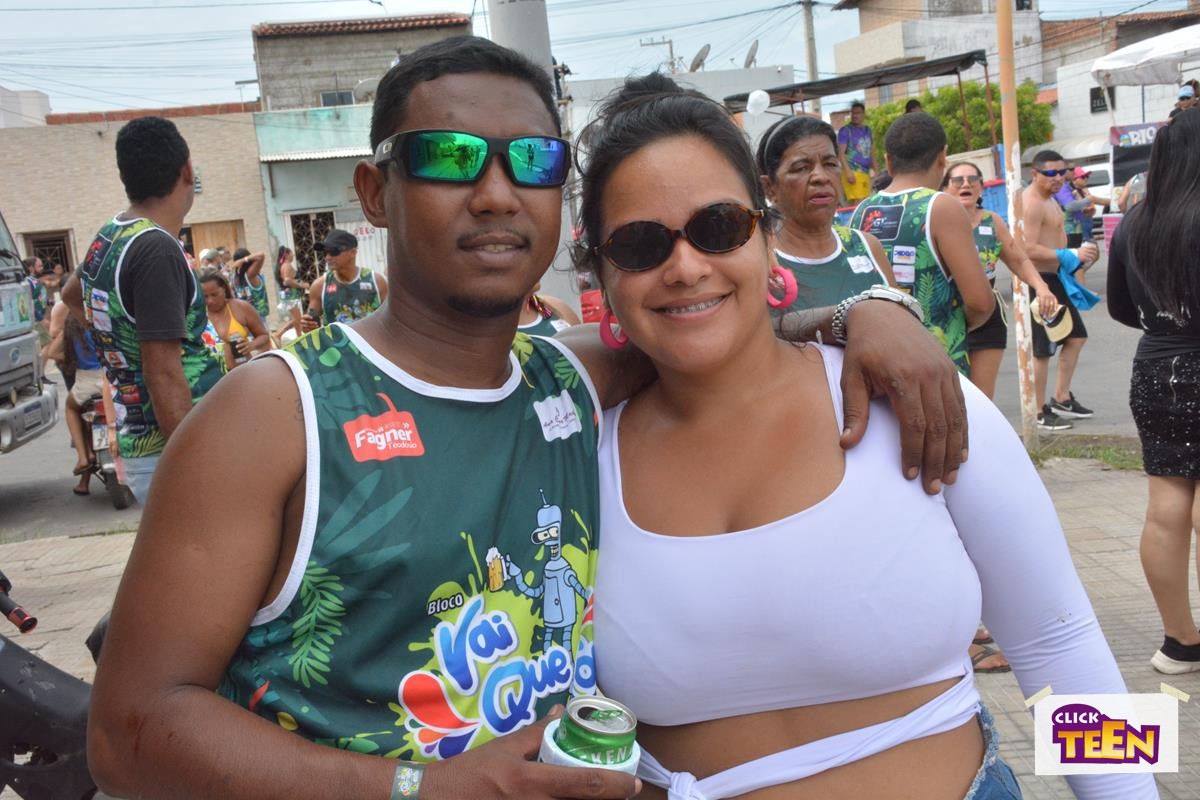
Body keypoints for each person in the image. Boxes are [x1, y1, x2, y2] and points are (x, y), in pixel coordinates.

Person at [86, 37, 969, 800]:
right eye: (449, 157)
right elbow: (128, 732)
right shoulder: (276, 415)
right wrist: (425, 789)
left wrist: (865, 313)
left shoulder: (568, 380)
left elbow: (704, 323)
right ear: (374, 191)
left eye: (535, 162)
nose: (497, 193)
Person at [579, 72, 1157, 800]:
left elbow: (1060, 637)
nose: (686, 266)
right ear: (599, 273)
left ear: (766, 239)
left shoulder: (918, 398)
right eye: (639, 244)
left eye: (719, 227)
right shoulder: (573, 455)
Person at [62, 116, 224, 506]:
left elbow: (71, 294)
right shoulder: (156, 249)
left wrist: (116, 344)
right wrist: (191, 468)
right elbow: (162, 372)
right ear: (187, 171)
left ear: (125, 176)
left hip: (147, 447)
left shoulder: (112, 234)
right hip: (172, 452)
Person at [1107, 109, 1200, 675]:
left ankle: (1179, 644)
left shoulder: (1135, 223)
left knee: (1166, 508)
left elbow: (1121, 307)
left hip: (1154, 368)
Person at [849, 113, 995, 376]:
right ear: (942, 157)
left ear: (888, 161)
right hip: (937, 369)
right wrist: (951, 326)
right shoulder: (941, 207)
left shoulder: (861, 211)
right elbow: (981, 303)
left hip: (880, 367)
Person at [941, 162, 1059, 399]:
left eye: (973, 179)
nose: (966, 184)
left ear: (981, 188)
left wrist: (1041, 287)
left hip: (986, 315)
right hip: (946, 316)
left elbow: (1018, 259)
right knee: (951, 395)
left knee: (981, 398)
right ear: (944, 189)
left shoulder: (992, 221)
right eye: (958, 180)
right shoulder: (936, 222)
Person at [756, 115, 894, 310]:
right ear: (769, 187)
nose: (821, 177)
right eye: (801, 168)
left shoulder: (867, 247)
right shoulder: (760, 263)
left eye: (830, 164)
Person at [1019, 150, 1100, 431]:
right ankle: (1038, 411)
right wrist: (1069, 253)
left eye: (1062, 172)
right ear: (1035, 174)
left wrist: (1074, 256)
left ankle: (1062, 398)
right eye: (1050, 173)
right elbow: (1026, 249)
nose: (1057, 178)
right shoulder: (1031, 203)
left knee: (1076, 337)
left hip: (1056, 277)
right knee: (1043, 349)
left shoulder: (1051, 198)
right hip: (1039, 281)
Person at [43, 300, 104, 495]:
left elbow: (52, 352)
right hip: (110, 381)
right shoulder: (102, 321)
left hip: (85, 383)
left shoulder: (71, 328)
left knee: (71, 409)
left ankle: (83, 457)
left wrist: (72, 358)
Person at [301, 229, 388, 328]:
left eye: (334, 251)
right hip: (335, 339)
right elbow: (310, 324)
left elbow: (390, 319)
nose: (327, 258)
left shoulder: (376, 281)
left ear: (353, 252)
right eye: (325, 253)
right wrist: (307, 325)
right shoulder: (320, 286)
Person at [200, 269, 271, 370]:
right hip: (213, 376)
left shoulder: (241, 307)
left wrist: (250, 345)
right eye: (205, 297)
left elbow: (264, 336)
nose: (210, 301)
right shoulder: (197, 315)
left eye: (214, 294)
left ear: (224, 289)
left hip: (243, 372)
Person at [836, 101, 874, 204]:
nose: (855, 115)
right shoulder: (845, 131)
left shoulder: (868, 130)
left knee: (866, 202)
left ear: (863, 114)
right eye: (853, 113)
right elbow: (841, 153)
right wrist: (848, 172)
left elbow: (871, 152)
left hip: (866, 172)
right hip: (853, 172)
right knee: (858, 203)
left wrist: (876, 169)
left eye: (858, 113)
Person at [230, 247, 270, 322]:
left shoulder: (235, 278)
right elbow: (261, 256)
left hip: (244, 318)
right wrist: (244, 260)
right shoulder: (250, 275)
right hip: (257, 318)